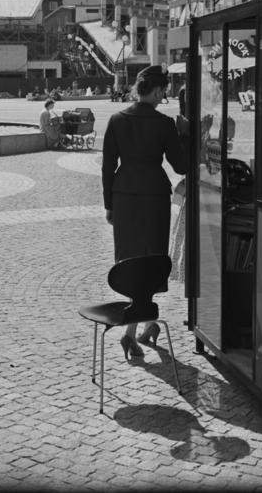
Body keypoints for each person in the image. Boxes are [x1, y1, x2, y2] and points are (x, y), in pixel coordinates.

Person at [102, 65, 189, 361]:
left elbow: (107, 168)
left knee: (129, 262)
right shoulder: (164, 123)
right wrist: (186, 136)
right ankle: (135, 329)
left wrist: (109, 205)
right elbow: (181, 165)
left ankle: (145, 325)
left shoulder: (116, 119)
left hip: (124, 197)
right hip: (154, 197)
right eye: (163, 92)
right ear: (157, 91)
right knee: (151, 261)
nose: (164, 97)